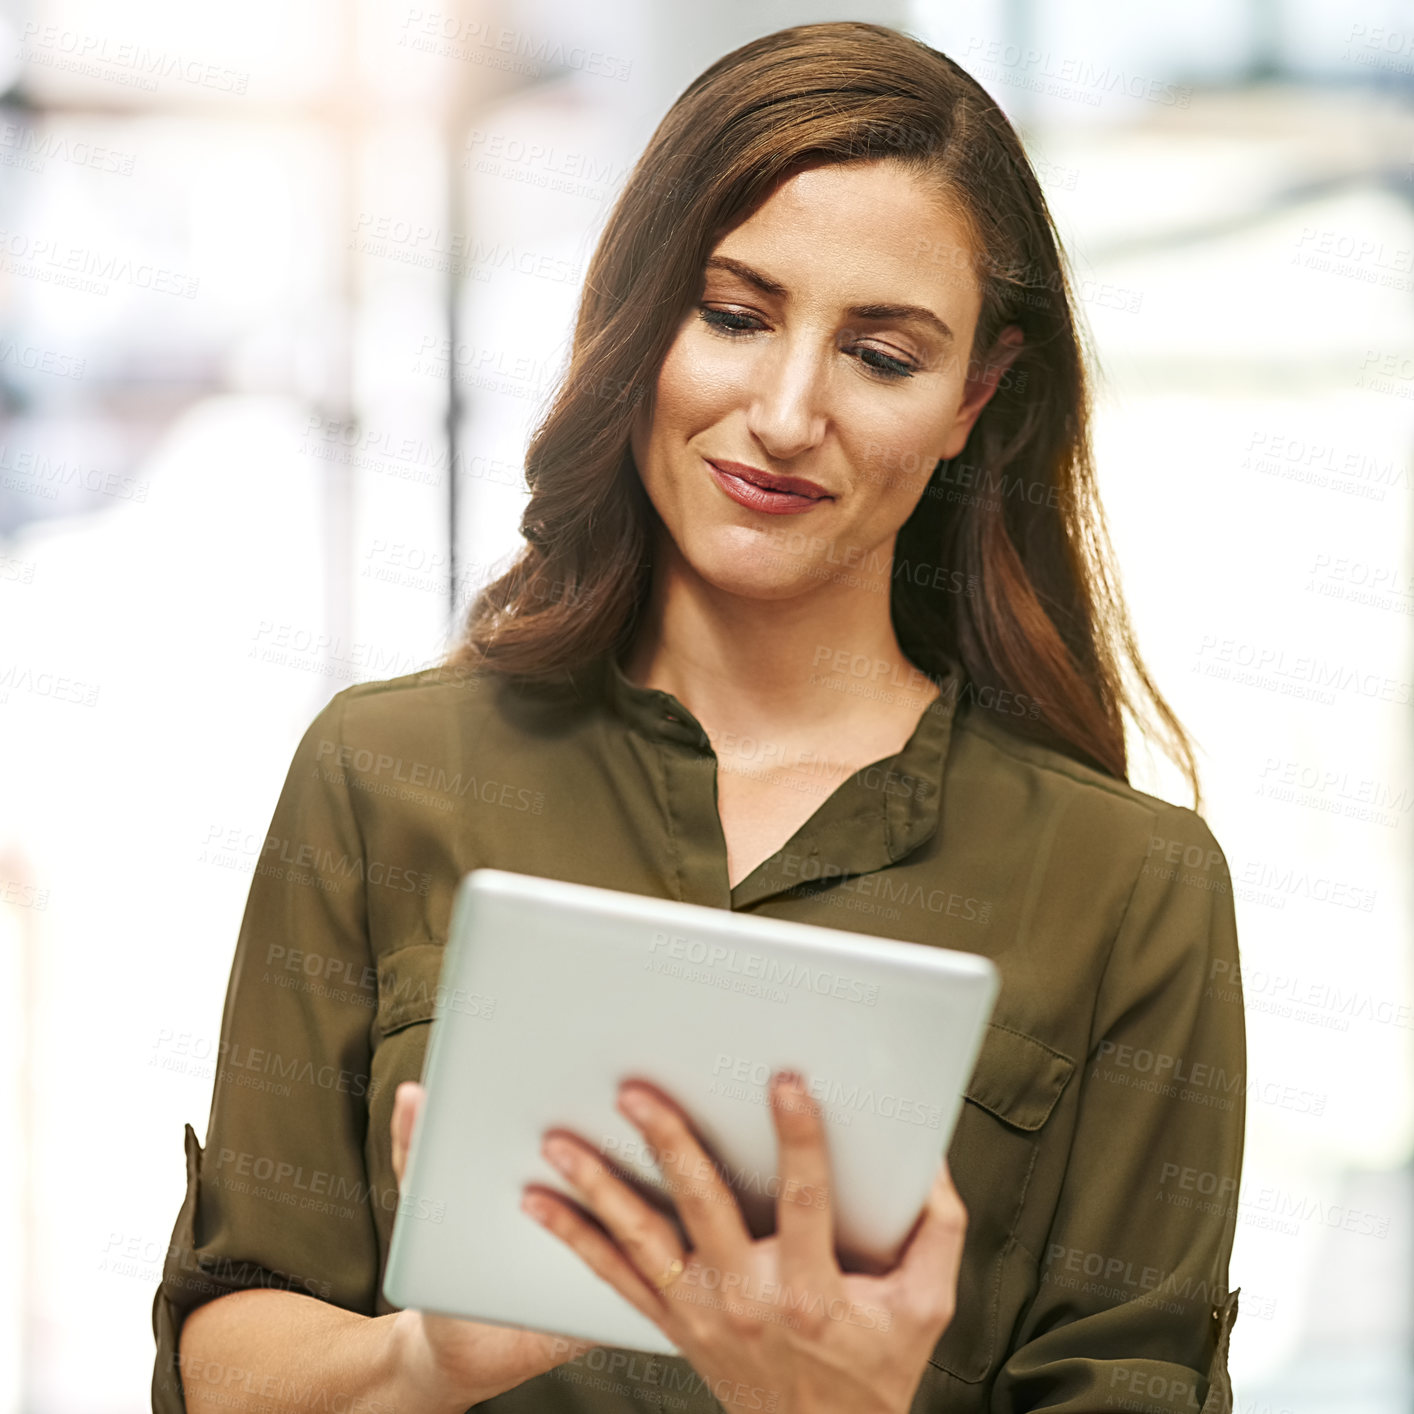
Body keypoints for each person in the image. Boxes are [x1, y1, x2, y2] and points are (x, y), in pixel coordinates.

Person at [153, 19, 1246, 1414]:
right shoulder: (382, 774)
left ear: (974, 397)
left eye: (882, 354)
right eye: (734, 315)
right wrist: (421, 1358)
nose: (786, 414)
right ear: (639, 318)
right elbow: (232, 1332)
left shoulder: (1129, 888)